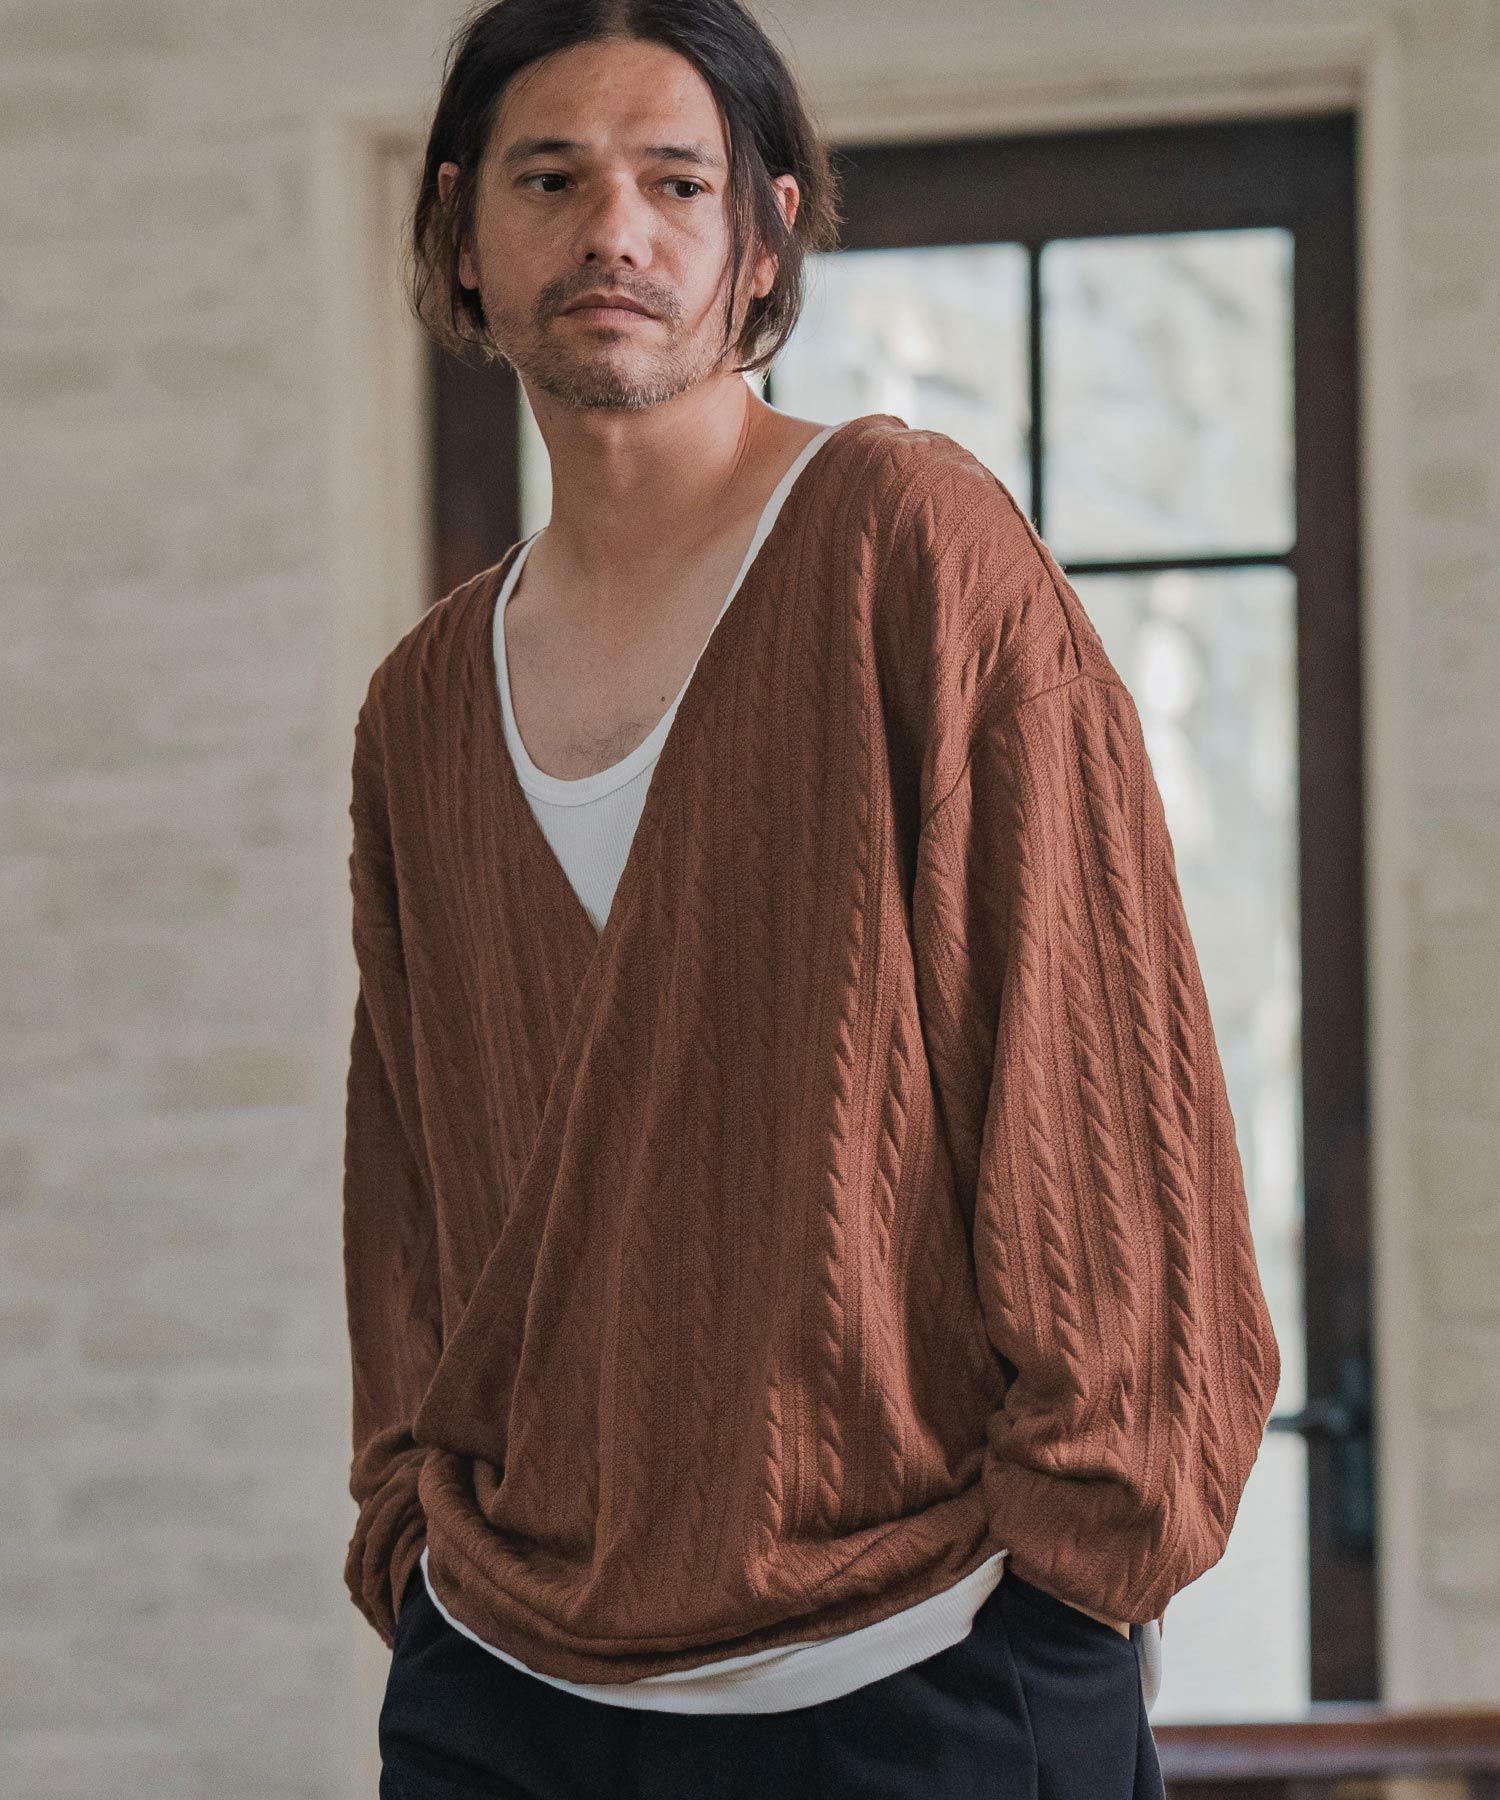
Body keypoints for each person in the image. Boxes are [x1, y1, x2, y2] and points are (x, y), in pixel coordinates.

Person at [340, 1, 1281, 1794]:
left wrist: (1069, 1580)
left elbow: (1096, 1076)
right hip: (511, 1687)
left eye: (675, 182)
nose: (614, 231)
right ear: (461, 229)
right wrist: (408, 1530)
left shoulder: (905, 547)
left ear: (765, 235)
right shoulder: (424, 706)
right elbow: (414, 1179)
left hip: (924, 1664)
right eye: (551, 180)